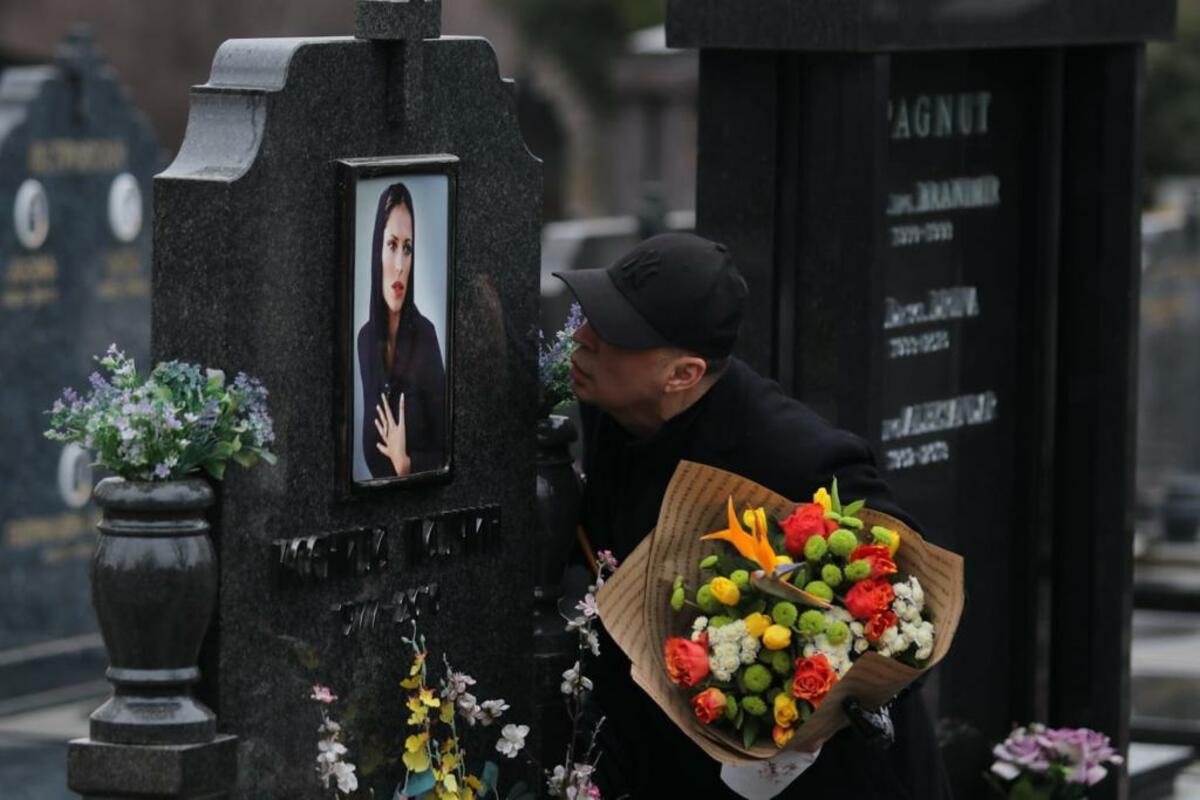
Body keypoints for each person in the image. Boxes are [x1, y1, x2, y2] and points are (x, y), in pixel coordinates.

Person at [554, 232, 950, 799]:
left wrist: (797, 690)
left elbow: (911, 603)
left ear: (683, 374)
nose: (582, 337)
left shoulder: (792, 453)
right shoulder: (613, 413)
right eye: (593, 315)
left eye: (613, 334)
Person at [357, 182, 447, 479]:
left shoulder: (425, 336)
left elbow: (451, 449)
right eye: (392, 245)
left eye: (407, 248)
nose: (399, 265)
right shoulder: (365, 341)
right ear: (376, 251)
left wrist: (405, 464)